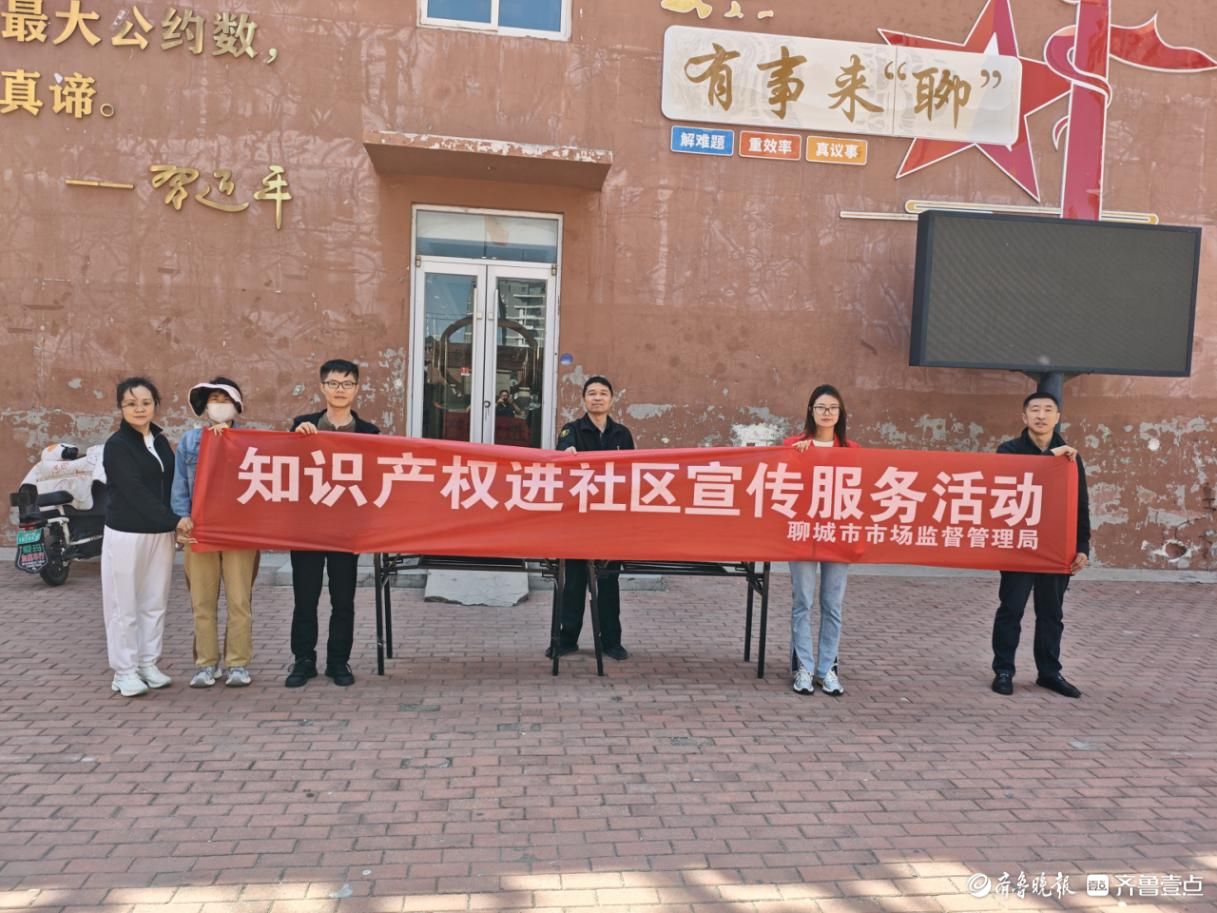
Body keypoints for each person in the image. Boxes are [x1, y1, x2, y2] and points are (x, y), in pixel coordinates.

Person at [285, 359, 380, 688]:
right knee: (305, 598)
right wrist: (295, 439)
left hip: (346, 529)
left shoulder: (369, 434)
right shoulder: (303, 426)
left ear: (357, 389)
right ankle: (303, 660)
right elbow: (287, 468)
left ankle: (338, 661)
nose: (340, 390)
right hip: (307, 528)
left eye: (347, 384)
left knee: (343, 600)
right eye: (334, 383)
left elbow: (374, 480)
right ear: (322, 387)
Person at [991, 391, 1091, 698]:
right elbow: (1017, 481)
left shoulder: (1071, 456)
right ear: (1024, 417)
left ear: (1057, 417)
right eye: (1035, 410)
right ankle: (1004, 670)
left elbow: (1080, 504)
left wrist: (1082, 546)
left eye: (1048, 410)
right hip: (1019, 544)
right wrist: (1051, 459)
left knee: (1051, 613)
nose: (1041, 415)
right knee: (1011, 609)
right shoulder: (1009, 450)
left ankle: (1049, 672)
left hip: (1056, 547)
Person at [101, 377, 194, 697]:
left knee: (154, 602)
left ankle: (147, 663)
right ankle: (124, 671)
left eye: (145, 403)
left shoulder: (159, 440)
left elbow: (173, 484)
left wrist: (175, 522)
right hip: (126, 534)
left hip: (160, 534)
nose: (139, 409)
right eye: (131, 404)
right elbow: (134, 492)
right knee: (123, 605)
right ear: (120, 408)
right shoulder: (117, 446)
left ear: (155, 405)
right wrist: (175, 521)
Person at [171, 377, 259, 689]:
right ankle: (206, 665)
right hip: (200, 530)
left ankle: (237, 664)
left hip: (239, 532)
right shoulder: (190, 441)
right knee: (202, 602)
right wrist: (181, 517)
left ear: (237, 405)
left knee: (239, 601)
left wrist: (229, 444)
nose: (219, 405)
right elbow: (180, 483)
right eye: (213, 399)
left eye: (225, 399)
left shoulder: (250, 441)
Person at [547, 375, 635, 661]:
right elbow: (564, 453)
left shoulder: (622, 434)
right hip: (578, 520)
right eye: (592, 393)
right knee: (574, 583)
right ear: (584, 399)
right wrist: (567, 453)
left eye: (603, 393)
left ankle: (612, 642)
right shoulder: (571, 430)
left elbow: (633, 471)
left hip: (610, 520)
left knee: (608, 583)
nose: (597, 398)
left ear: (611, 399)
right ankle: (566, 640)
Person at [785, 384, 860, 697]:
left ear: (840, 413)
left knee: (832, 604)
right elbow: (782, 485)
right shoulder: (794, 446)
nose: (827, 413)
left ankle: (827, 668)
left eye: (832, 408)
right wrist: (795, 458)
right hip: (803, 532)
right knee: (802, 601)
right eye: (821, 407)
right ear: (811, 411)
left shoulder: (852, 451)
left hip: (838, 534)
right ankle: (803, 666)